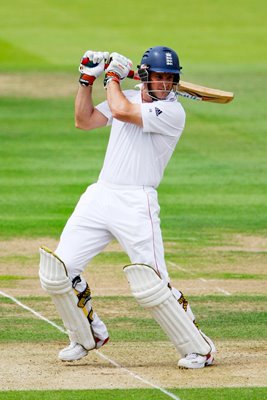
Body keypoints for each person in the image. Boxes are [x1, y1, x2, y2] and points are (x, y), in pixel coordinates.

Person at [39, 46, 216, 369]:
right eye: (159, 77)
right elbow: (85, 120)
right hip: (100, 194)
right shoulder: (128, 95)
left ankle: (200, 348)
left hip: (137, 202)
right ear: (145, 76)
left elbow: (121, 112)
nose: (165, 84)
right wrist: (86, 81)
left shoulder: (172, 111)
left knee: (152, 284)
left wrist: (111, 77)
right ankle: (86, 335)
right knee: (58, 273)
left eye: (170, 78)